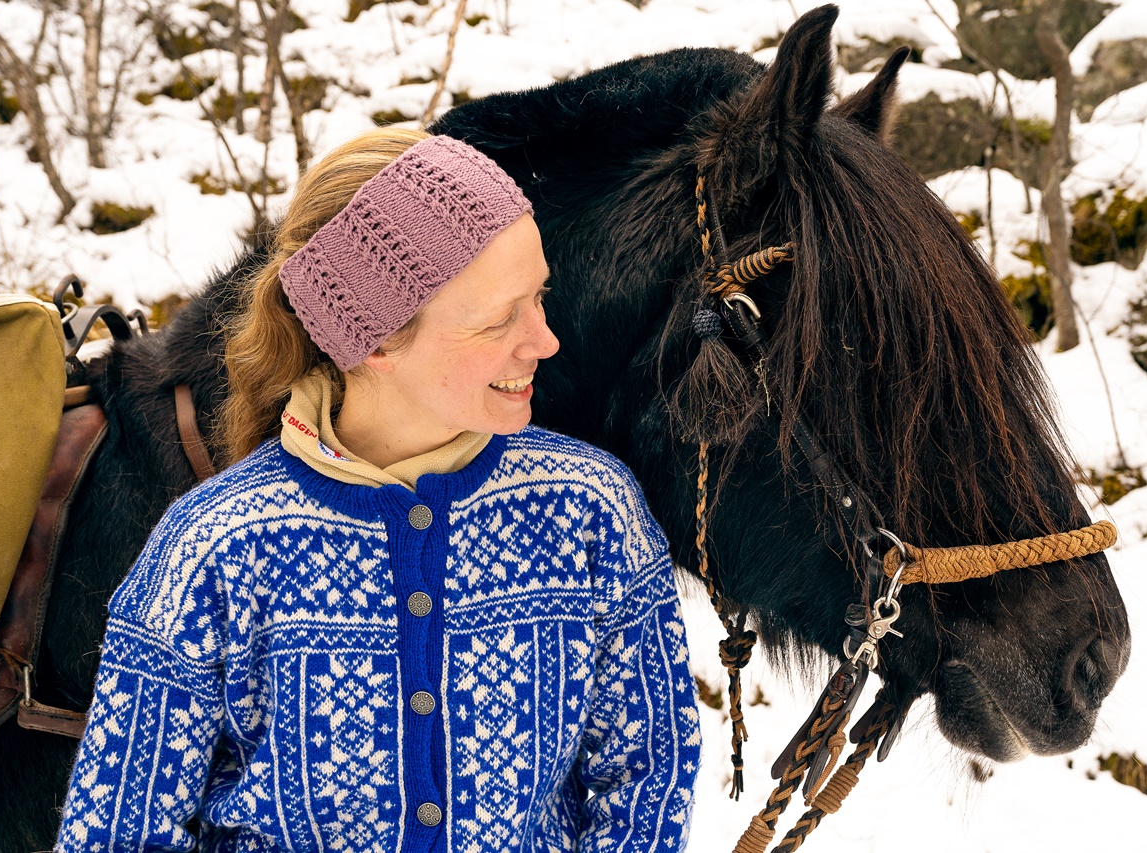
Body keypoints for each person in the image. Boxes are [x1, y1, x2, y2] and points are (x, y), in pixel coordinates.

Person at [54, 128, 701, 853]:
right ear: (375, 341)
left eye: (538, 297)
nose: (544, 340)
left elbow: (646, 773)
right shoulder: (213, 546)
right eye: (498, 318)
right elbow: (118, 831)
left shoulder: (591, 511)